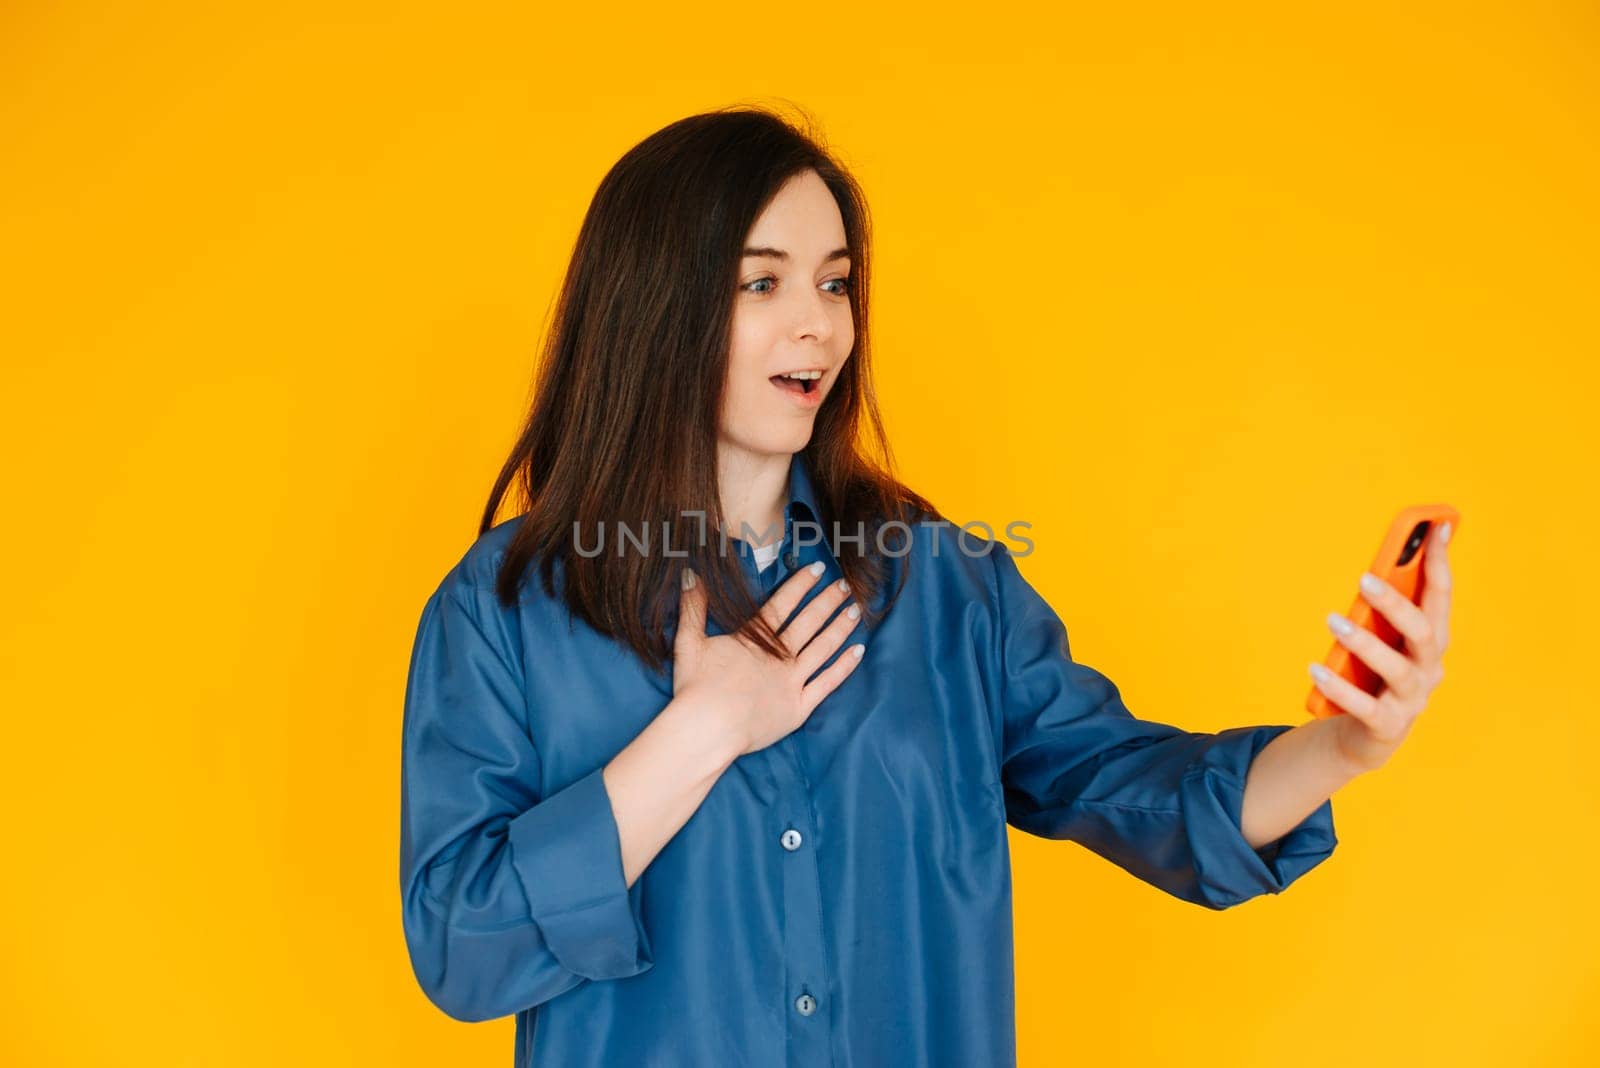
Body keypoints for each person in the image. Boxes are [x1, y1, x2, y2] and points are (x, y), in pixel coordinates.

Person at [398, 105, 1454, 1067]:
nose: (816, 324)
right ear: (653, 309)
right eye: (761, 283)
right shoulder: (503, 611)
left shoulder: (944, 588)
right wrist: (701, 733)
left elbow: (1135, 790)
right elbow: (462, 945)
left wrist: (1345, 745)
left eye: (835, 281)